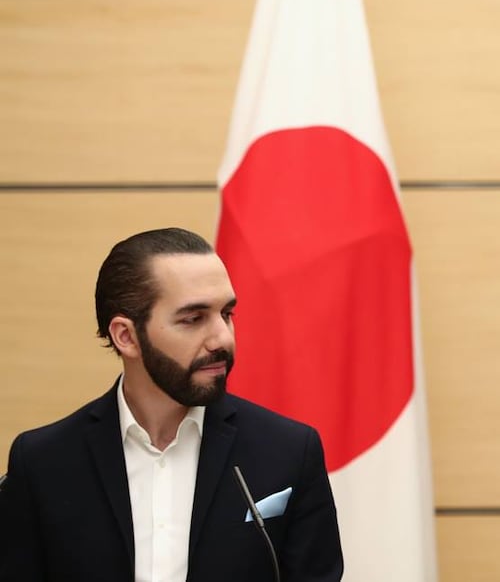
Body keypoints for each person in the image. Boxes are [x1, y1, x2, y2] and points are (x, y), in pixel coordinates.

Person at [0, 228, 344, 581]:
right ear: (127, 336)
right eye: (193, 319)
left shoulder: (288, 452)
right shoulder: (43, 462)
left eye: (226, 314)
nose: (222, 338)